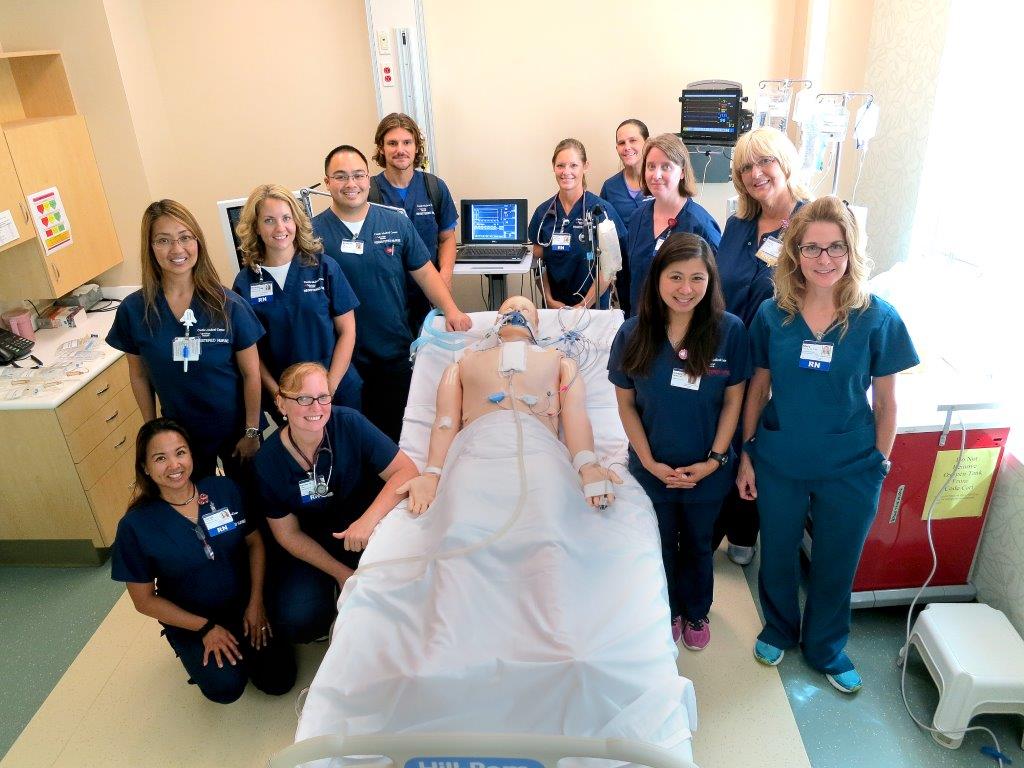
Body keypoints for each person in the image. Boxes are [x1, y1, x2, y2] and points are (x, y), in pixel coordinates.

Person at [294, 296, 697, 751]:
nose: (516, 312)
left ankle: (562, 651)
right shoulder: (463, 361)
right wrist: (431, 475)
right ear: (496, 321)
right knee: (459, 535)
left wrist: (586, 466)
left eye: (525, 307)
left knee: (548, 538)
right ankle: (440, 653)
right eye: (509, 307)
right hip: (475, 456)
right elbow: (445, 422)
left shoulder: (560, 361)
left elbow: (576, 419)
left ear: (539, 324)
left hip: (542, 457)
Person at [735, 196, 919, 694]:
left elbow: (887, 402)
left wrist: (879, 461)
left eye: (835, 247)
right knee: (777, 553)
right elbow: (758, 386)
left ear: (851, 251)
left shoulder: (877, 317)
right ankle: (778, 628)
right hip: (781, 456)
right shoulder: (774, 315)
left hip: (851, 463)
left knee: (838, 560)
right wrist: (747, 452)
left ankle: (826, 647)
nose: (824, 259)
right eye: (812, 248)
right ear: (795, 253)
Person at [608, 234, 749, 651]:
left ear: (711, 282)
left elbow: (733, 401)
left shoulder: (729, 331)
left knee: (700, 545)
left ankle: (696, 610)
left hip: (708, 470)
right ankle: (668, 608)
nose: (686, 289)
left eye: (697, 278)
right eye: (675, 277)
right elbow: (626, 405)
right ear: (657, 279)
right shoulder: (632, 334)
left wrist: (715, 460)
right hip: (653, 470)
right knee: (662, 543)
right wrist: (649, 463)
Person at [111, 418, 296, 704]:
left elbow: (255, 542)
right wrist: (205, 628)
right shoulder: (135, 525)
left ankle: (251, 643)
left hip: (246, 603)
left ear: (192, 455)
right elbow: (144, 600)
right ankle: (195, 650)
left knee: (279, 681)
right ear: (146, 467)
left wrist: (257, 602)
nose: (174, 465)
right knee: (225, 689)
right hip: (193, 618)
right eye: (160, 458)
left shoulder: (224, 490)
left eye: (180, 452)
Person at [312, 144, 471, 441]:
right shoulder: (312, 235)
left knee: (399, 432)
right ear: (327, 182)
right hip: (341, 360)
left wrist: (451, 310)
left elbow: (425, 273)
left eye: (358, 175)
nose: (351, 184)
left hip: (392, 349)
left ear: (368, 179)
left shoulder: (395, 222)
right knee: (352, 435)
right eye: (341, 176)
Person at [252, 362, 419, 642]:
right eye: (303, 399)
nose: (316, 408)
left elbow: (406, 471)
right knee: (297, 621)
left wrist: (367, 522)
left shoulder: (349, 423)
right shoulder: (268, 462)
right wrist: (341, 574)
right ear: (281, 404)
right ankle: (331, 587)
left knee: (402, 594)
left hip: (364, 529)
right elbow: (288, 533)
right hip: (314, 543)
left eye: (323, 397)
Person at [107, 200, 264, 480]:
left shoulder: (229, 305)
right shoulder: (134, 310)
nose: (177, 250)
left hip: (236, 430)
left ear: (197, 242)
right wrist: (153, 431)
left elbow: (252, 374)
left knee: (251, 503)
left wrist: (252, 431)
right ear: (150, 248)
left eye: (184, 238)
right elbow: (139, 376)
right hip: (180, 438)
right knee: (196, 505)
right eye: (163, 240)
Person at [713, 127, 811, 566]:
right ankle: (713, 521)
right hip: (728, 352)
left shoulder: (814, 221)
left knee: (756, 442)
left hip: (779, 360)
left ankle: (744, 528)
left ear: (785, 163)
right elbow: (715, 289)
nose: (756, 174)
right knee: (721, 438)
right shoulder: (737, 226)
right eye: (746, 168)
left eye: (764, 162)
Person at [231, 183, 361, 411]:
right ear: (256, 228)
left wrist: (328, 389)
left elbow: (347, 330)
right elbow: (250, 354)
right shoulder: (245, 283)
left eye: (286, 218)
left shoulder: (324, 267)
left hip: (337, 389)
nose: (280, 227)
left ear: (296, 222)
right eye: (269, 220)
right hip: (288, 399)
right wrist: (278, 395)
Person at [369, 113, 459, 332]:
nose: (400, 149)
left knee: (431, 351)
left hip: (428, 293)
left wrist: (444, 278)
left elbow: (447, 238)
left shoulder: (434, 188)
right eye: (392, 143)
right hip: (386, 296)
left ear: (417, 147)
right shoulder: (369, 193)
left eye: (407, 142)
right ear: (381, 148)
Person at [627, 134, 721, 314]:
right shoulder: (638, 218)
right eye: (651, 166)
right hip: (641, 323)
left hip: (685, 329)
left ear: (683, 172)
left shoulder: (700, 225)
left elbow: (715, 288)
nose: (656, 175)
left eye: (666, 167)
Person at [528, 138, 626, 310]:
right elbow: (537, 262)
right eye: (560, 166)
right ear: (553, 167)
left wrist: (584, 304)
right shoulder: (543, 213)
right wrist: (549, 299)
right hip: (554, 308)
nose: (566, 172)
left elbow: (610, 267)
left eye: (573, 165)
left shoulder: (601, 211)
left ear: (585, 166)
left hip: (593, 307)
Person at [600, 119, 651, 316]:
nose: (627, 147)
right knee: (630, 319)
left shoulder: (658, 181)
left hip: (656, 267)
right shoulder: (610, 187)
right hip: (625, 272)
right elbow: (604, 233)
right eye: (621, 143)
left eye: (633, 140)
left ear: (646, 142)